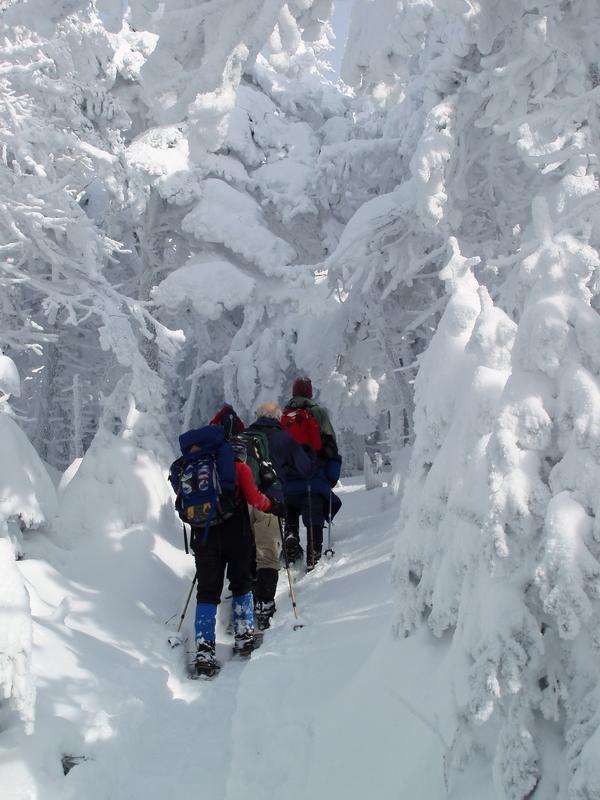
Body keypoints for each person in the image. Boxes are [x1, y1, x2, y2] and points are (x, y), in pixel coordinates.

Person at [186, 413, 283, 677]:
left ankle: (204, 649)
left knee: (207, 591)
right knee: (241, 583)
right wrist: (274, 506)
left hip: (204, 536)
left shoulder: (193, 464)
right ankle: (244, 635)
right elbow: (254, 498)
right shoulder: (237, 465)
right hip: (236, 534)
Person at [245, 402, 313, 629]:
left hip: (243, 501)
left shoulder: (243, 437)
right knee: (268, 556)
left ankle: (247, 601)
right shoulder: (284, 438)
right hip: (270, 502)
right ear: (277, 418)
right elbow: (305, 468)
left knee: (249, 552)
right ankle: (264, 606)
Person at [282, 377, 342, 570]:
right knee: (313, 516)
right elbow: (332, 446)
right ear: (310, 392)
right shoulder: (318, 412)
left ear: (293, 392)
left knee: (291, 510)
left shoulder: (285, 414)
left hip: (289, 481)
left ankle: (290, 538)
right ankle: (313, 559)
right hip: (313, 478)